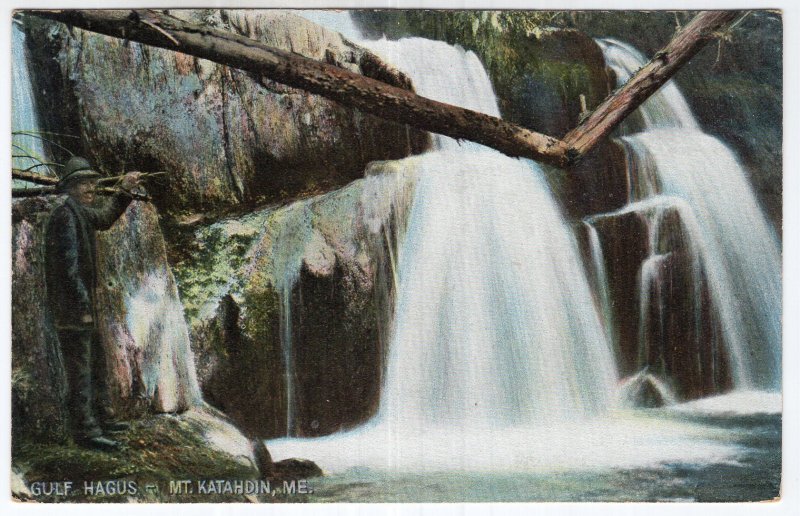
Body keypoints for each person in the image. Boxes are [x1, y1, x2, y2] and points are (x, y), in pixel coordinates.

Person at [44, 156, 142, 451]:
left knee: (97, 362)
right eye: (84, 183)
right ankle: (87, 432)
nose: (92, 187)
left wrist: (124, 189)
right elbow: (67, 270)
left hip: (83, 307)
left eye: (92, 182)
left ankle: (104, 420)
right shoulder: (64, 216)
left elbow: (104, 218)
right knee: (81, 371)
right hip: (73, 310)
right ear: (70, 188)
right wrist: (84, 307)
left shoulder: (80, 212)